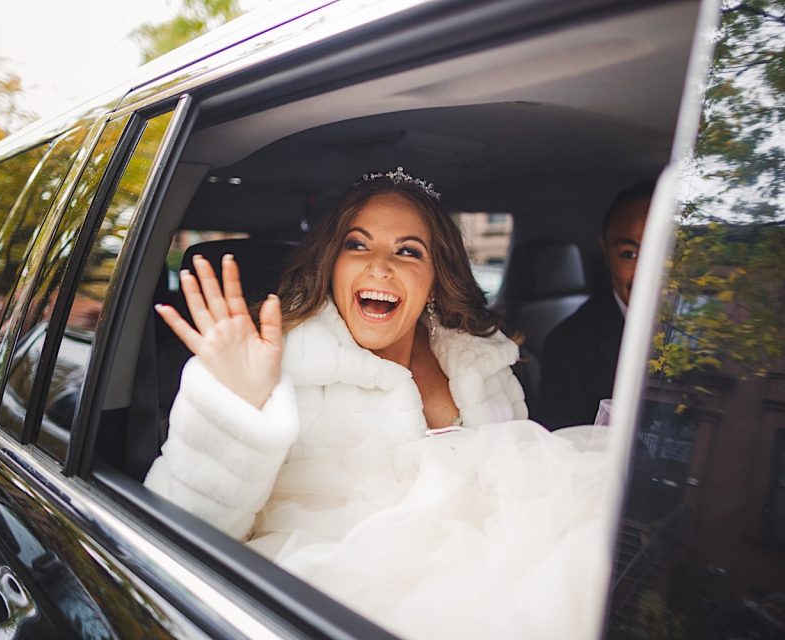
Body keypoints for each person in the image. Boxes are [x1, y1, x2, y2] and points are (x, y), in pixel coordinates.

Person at [145, 168, 612, 639]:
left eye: (409, 251)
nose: (381, 266)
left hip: (506, 588)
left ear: (435, 277)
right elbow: (177, 538)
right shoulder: (269, 363)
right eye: (358, 244)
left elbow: (524, 484)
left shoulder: (481, 362)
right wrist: (238, 408)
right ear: (331, 264)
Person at [537, 180, 653, 428]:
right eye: (629, 255)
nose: (648, 273)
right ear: (606, 253)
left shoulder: (716, 327)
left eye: (663, 253)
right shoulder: (569, 346)